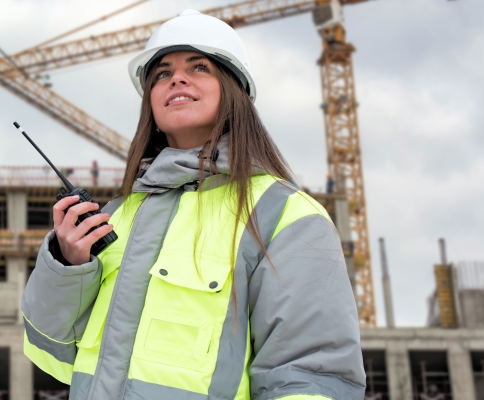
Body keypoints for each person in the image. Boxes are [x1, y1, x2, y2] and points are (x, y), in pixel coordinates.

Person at [21, 10, 365, 400]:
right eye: (162, 74)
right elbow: (55, 355)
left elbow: (309, 376)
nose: (177, 79)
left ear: (234, 91)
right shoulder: (115, 217)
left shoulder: (286, 216)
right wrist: (69, 266)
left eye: (199, 67)